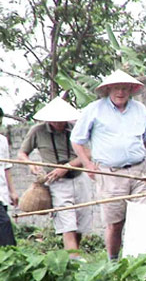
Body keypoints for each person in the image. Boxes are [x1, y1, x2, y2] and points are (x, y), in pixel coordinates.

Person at [70, 69, 146, 261]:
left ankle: (144, 259)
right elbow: (77, 140)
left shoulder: (140, 109)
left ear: (130, 89)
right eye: (116, 88)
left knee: (144, 217)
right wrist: (87, 164)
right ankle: (114, 261)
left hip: (140, 171)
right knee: (115, 223)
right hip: (110, 174)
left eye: (125, 88)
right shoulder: (93, 110)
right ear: (109, 89)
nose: (120, 92)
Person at [18, 98, 92, 260]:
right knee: (67, 224)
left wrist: (66, 167)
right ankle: (74, 262)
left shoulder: (76, 128)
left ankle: (74, 255)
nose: (59, 124)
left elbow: (87, 154)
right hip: (56, 183)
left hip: (80, 179)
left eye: (62, 120)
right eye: (55, 121)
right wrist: (31, 165)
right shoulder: (37, 131)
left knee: (81, 222)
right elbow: (22, 154)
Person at [0, 107, 18, 247]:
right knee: (4, 223)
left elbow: (6, 167)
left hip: (2, 192)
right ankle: (10, 254)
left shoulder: (2, 141)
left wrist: (12, 191)